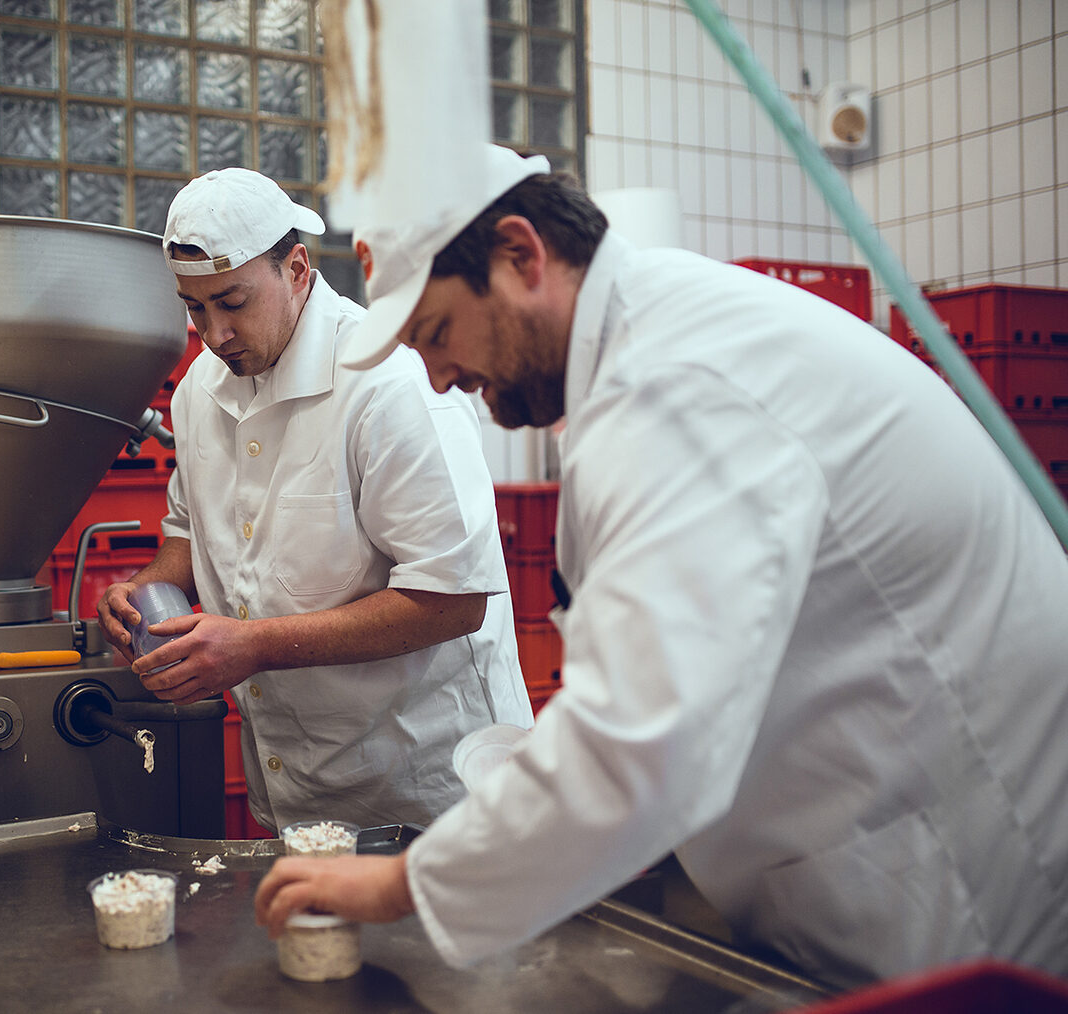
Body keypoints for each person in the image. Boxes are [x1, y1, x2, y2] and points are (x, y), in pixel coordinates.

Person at [256, 143, 1068, 989]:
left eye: (436, 333)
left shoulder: (673, 383)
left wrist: (402, 883)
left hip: (960, 872)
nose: (440, 376)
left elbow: (643, 736)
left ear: (522, 256)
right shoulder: (644, 349)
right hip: (867, 837)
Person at [96, 167, 533, 833]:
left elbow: (453, 599)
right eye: (195, 307)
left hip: (431, 788)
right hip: (300, 789)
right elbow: (190, 531)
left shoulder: (386, 383)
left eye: (234, 302)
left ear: (297, 269)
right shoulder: (199, 392)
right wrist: (146, 585)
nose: (214, 335)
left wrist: (254, 646)